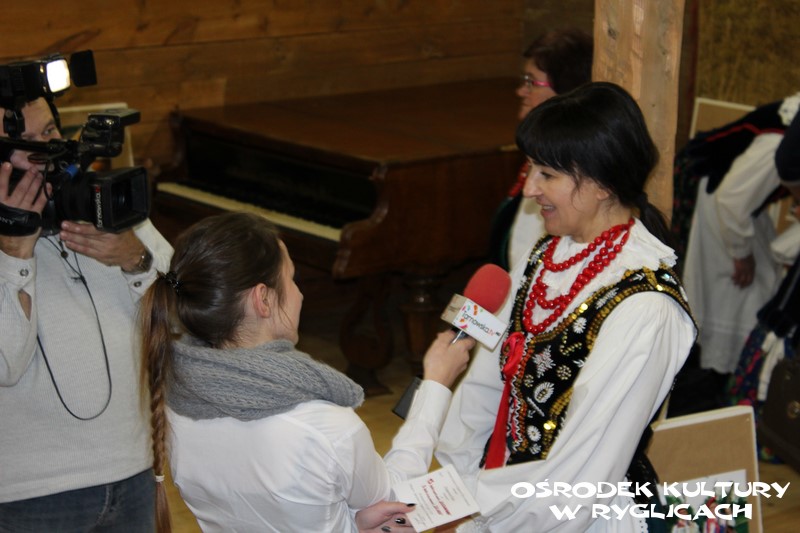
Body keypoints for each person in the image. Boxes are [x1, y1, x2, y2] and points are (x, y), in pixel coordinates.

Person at [435, 82, 697, 532]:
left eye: (547, 174)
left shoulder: (646, 307)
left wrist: (474, 502)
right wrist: (454, 487)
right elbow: (484, 384)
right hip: (502, 497)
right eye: (531, 169)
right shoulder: (546, 255)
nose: (529, 188)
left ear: (601, 184)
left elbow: (580, 478)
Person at [139, 211, 475, 533]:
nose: (300, 294)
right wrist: (435, 386)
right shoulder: (325, 427)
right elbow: (393, 500)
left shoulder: (175, 407)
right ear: (263, 299)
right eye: (292, 279)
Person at [0, 96, 173, 531]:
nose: (45, 153)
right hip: (29, 496)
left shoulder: (108, 204)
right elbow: (5, 364)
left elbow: (186, 322)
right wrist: (14, 253)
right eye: (22, 142)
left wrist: (137, 259)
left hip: (132, 471)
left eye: (49, 133)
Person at [680, 92, 799, 376]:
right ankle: (719, 370)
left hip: (737, 203)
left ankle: (729, 366)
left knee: (764, 278)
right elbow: (732, 200)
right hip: (718, 202)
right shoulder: (783, 146)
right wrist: (741, 254)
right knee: (744, 287)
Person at [490, 28, 593, 271]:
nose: (521, 91)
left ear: (566, 90)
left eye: (531, 82)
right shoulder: (540, 153)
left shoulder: (571, 173)